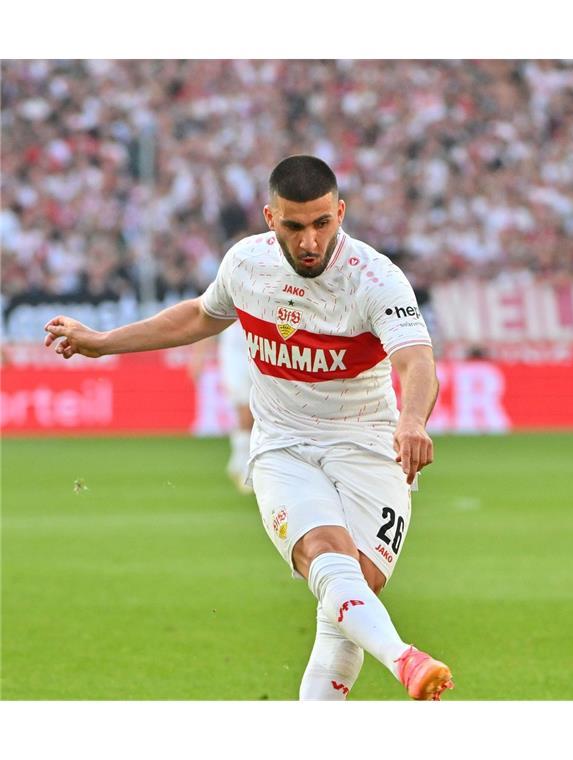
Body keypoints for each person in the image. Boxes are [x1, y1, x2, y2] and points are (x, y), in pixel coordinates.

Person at [44, 155, 454, 701]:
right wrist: (103, 341)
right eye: (293, 225)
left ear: (340, 213)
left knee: (347, 603)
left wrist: (411, 419)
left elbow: (416, 359)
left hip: (369, 445)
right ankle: (404, 659)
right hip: (284, 445)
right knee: (327, 559)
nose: (310, 241)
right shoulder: (246, 265)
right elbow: (197, 317)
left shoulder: (375, 278)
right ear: (269, 218)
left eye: (322, 223)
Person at [215, 321, 255, 494]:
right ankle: (245, 469)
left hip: (258, 344)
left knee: (254, 414)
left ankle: (238, 462)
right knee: (245, 411)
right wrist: (198, 355)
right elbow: (208, 315)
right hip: (234, 349)